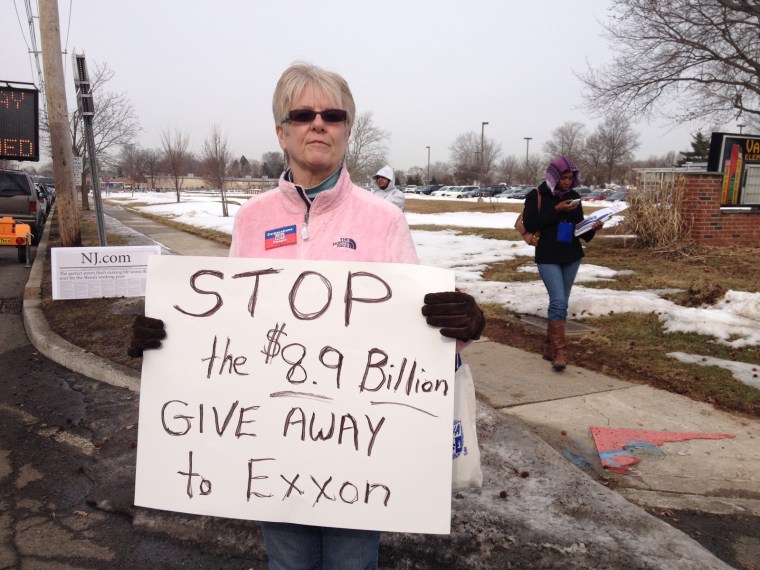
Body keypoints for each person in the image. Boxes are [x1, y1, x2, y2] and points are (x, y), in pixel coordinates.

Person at [129, 62, 484, 570]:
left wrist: (463, 326)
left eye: (333, 115)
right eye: (303, 114)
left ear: (346, 131)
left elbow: (418, 334)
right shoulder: (253, 219)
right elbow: (226, 330)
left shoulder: (383, 219)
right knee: (288, 564)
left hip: (358, 449)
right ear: (282, 131)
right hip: (274, 442)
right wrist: (166, 338)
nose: (319, 123)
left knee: (351, 565)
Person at [522, 156, 603, 372]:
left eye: (571, 178)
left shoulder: (574, 197)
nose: (567, 182)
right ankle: (560, 352)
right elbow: (531, 223)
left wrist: (592, 228)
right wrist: (556, 209)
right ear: (554, 177)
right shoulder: (537, 195)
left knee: (562, 303)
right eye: (564, 178)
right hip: (548, 255)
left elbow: (580, 230)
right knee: (558, 301)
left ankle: (550, 347)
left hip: (571, 255)